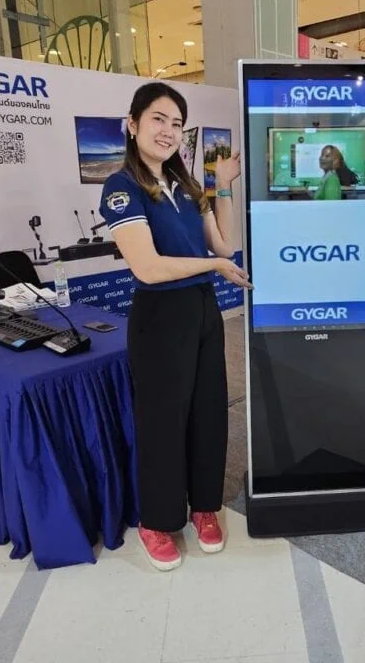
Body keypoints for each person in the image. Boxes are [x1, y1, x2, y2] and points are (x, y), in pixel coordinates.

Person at [99, 82, 250, 571]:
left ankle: (204, 507)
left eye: (176, 123)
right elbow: (148, 267)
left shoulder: (185, 186)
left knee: (208, 413)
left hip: (202, 313)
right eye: (158, 119)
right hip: (160, 319)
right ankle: (157, 520)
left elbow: (224, 245)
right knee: (162, 424)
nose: (168, 131)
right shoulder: (121, 188)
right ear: (133, 125)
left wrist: (223, 184)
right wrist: (210, 267)